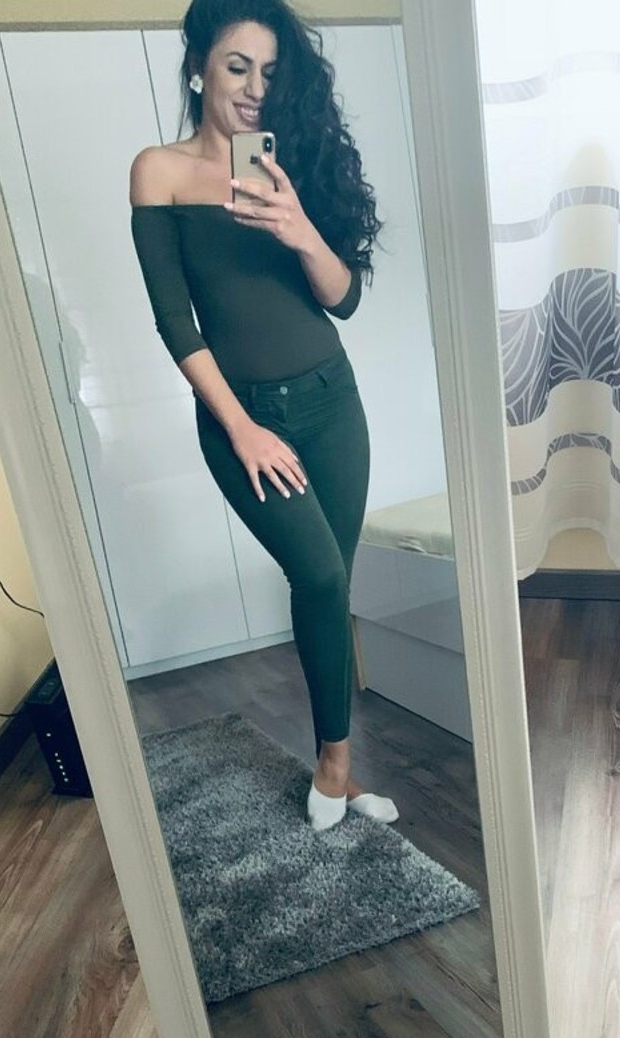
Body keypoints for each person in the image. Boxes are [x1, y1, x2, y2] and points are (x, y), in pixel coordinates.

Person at [129, 0, 397, 832]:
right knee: (317, 574)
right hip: (242, 417)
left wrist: (300, 227)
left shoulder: (293, 165)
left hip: (332, 401)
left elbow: (343, 300)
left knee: (332, 581)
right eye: (237, 66)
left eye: (271, 73)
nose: (254, 88)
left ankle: (337, 769)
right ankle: (334, 768)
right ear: (199, 68)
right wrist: (241, 429)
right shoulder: (159, 171)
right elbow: (175, 321)